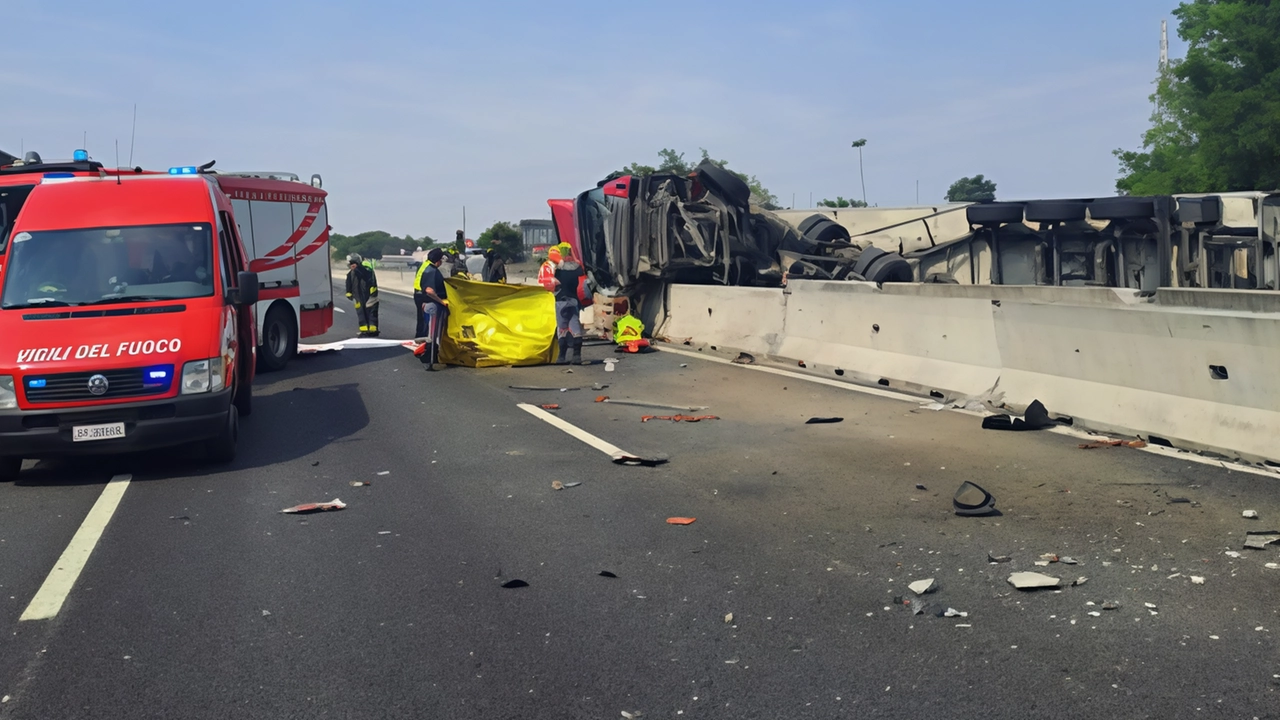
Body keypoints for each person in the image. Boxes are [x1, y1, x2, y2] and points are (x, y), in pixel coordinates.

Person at [547, 247, 587, 365]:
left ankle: (561, 357)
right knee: (576, 329)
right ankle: (577, 356)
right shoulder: (577, 268)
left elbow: (549, 281)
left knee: (562, 329)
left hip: (560, 302)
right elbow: (582, 278)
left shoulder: (556, 270)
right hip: (574, 301)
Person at [416, 248, 449, 370]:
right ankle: (429, 360)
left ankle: (430, 357)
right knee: (433, 333)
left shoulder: (427, 267)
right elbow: (430, 291)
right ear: (438, 260)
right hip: (433, 305)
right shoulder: (432, 271)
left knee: (432, 332)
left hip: (428, 304)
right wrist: (442, 302)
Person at [344, 253, 379, 337]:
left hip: (369, 295)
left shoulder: (366, 270)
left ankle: (373, 330)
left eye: (352, 263)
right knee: (361, 312)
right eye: (350, 264)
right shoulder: (350, 273)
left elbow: (366, 277)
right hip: (357, 296)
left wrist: (357, 269)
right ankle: (364, 330)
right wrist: (348, 292)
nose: (351, 266)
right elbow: (348, 283)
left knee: (371, 312)